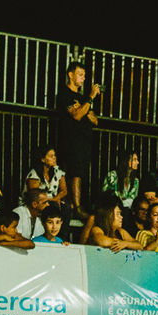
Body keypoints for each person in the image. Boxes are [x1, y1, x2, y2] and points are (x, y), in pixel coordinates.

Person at [55, 63, 98, 215]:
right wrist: (91, 98)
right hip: (70, 139)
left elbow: (94, 119)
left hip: (84, 141)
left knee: (80, 172)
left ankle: (75, 205)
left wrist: (85, 108)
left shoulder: (82, 98)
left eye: (84, 75)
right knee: (73, 172)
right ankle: (76, 205)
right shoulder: (64, 93)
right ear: (71, 75)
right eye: (80, 74)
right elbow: (77, 115)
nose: (83, 78)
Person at [25, 145, 69, 214]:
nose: (54, 158)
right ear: (43, 159)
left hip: (53, 201)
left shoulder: (58, 171)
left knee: (66, 207)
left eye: (54, 155)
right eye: (51, 156)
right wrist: (50, 201)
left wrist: (54, 199)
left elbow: (64, 191)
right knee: (53, 206)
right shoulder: (34, 174)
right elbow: (34, 195)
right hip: (39, 202)